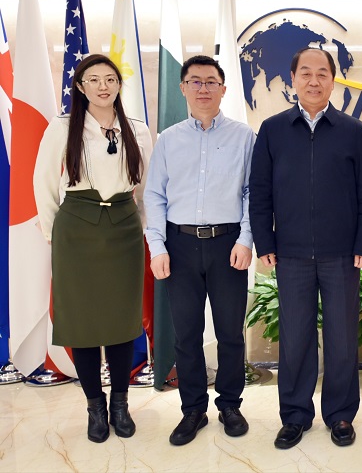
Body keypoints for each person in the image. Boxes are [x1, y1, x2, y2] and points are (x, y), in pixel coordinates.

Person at [249, 48, 362, 449]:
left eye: (322, 73)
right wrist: (265, 241)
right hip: (290, 254)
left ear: (333, 81)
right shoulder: (272, 130)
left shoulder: (353, 130)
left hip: (342, 254)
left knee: (342, 338)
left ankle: (340, 415)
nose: (314, 80)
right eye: (305, 72)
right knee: (295, 338)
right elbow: (260, 191)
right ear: (292, 79)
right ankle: (295, 415)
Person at [33, 54, 152, 443]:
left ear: (119, 85)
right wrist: (55, 235)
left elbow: (145, 187)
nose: (103, 86)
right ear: (81, 87)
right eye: (94, 79)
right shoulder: (62, 128)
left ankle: (120, 403)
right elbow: (43, 184)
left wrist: (145, 229)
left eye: (110, 79)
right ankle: (95, 407)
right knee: (82, 325)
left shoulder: (137, 129)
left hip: (123, 229)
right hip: (77, 228)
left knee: (120, 322)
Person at [144, 55, 255, 446]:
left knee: (230, 333)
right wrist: (157, 247)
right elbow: (154, 195)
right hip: (179, 246)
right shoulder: (168, 139)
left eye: (211, 81)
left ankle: (229, 405)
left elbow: (252, 193)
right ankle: (193, 409)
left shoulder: (244, 137)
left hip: (228, 244)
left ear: (223, 89)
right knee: (186, 334)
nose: (203, 88)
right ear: (183, 88)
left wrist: (246, 239)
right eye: (195, 81)